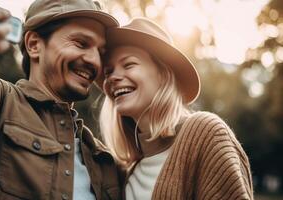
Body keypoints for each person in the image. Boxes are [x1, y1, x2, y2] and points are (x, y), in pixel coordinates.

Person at [0, 0, 122, 199]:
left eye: (101, 52)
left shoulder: (102, 158)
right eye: (81, 43)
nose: (95, 61)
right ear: (33, 45)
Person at [98, 17, 254, 200]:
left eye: (129, 64)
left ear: (164, 75)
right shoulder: (128, 172)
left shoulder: (206, 133)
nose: (112, 78)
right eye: (108, 71)